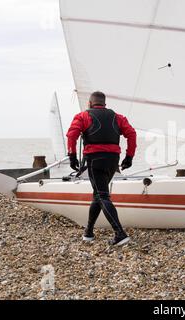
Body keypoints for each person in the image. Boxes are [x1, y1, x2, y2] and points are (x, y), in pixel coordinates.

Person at [66, 91, 137, 246]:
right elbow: (131, 134)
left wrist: (72, 156)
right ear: (104, 104)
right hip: (112, 161)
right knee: (98, 194)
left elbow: (72, 135)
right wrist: (129, 157)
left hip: (94, 159)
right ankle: (88, 232)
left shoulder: (82, 116)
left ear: (90, 103)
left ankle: (120, 234)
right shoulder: (118, 118)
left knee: (102, 195)